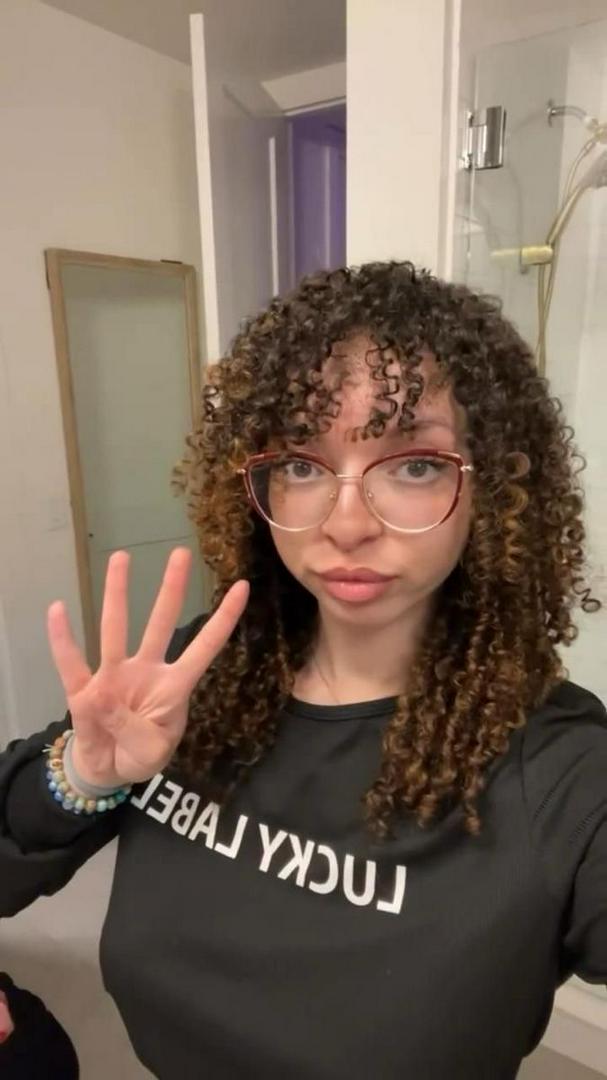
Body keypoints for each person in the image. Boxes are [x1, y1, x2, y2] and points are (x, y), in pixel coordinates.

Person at [1, 260, 605, 1079]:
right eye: (301, 465)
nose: (345, 523)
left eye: (414, 464)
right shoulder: (204, 674)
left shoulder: (562, 770)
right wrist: (84, 775)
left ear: (493, 488)